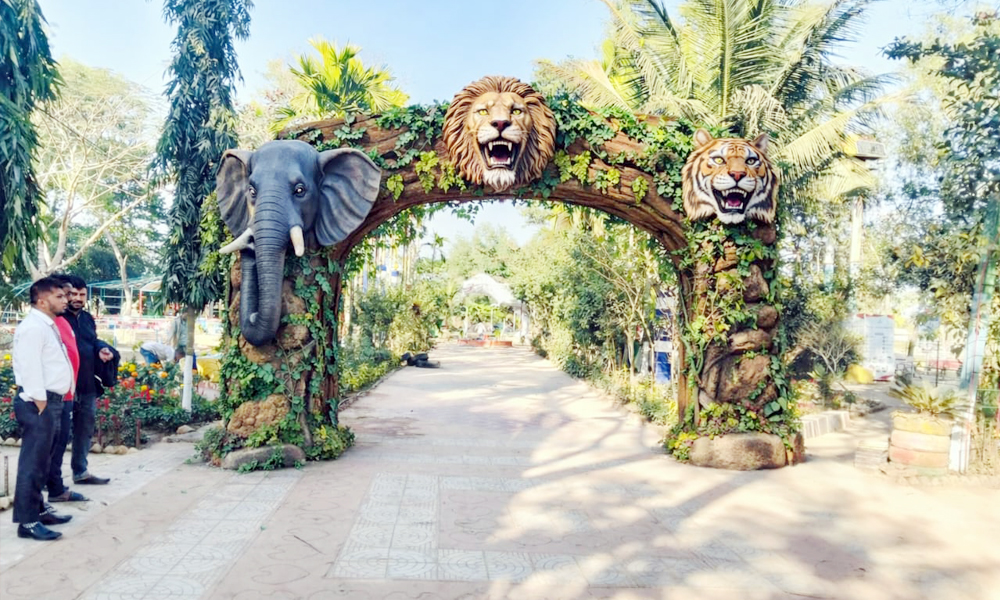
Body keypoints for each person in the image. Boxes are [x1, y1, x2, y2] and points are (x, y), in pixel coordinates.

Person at [11, 277, 75, 541]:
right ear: (42, 300)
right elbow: (30, 367)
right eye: (59, 297)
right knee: (33, 464)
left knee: (44, 461)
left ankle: (38, 510)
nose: (66, 300)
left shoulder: (46, 325)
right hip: (39, 403)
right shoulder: (33, 328)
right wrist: (40, 401)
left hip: (50, 402)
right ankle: (26, 523)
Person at [61, 275, 114, 486]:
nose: (77, 298)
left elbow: (91, 341)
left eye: (82, 294)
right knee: (59, 434)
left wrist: (102, 348)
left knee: (85, 430)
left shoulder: (87, 318)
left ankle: (80, 471)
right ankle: (50, 478)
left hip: (87, 384)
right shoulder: (58, 319)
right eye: (73, 294)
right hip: (64, 386)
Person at [45, 275, 89, 504]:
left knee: (61, 442)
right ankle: (52, 489)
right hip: (53, 396)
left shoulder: (64, 322)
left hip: (67, 393)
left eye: (72, 294)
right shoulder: (47, 324)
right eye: (63, 295)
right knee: (52, 445)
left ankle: (55, 487)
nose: (69, 299)